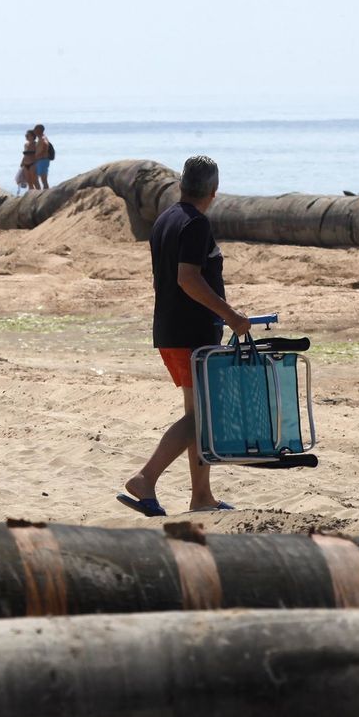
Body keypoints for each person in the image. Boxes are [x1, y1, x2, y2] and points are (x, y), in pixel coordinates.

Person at [118, 156, 251, 518]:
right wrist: (232, 315)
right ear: (214, 190)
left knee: (198, 415)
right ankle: (145, 478)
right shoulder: (195, 224)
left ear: (181, 185)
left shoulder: (165, 220)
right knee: (201, 419)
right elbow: (188, 278)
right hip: (191, 333)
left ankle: (202, 497)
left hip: (171, 330)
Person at [32, 123, 54, 189]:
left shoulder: (43, 138)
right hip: (40, 160)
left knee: (43, 179)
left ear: (39, 130)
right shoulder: (40, 138)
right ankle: (40, 192)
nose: (34, 131)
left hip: (43, 160)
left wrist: (40, 154)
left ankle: (45, 192)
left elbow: (45, 144)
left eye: (35, 129)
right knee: (35, 177)